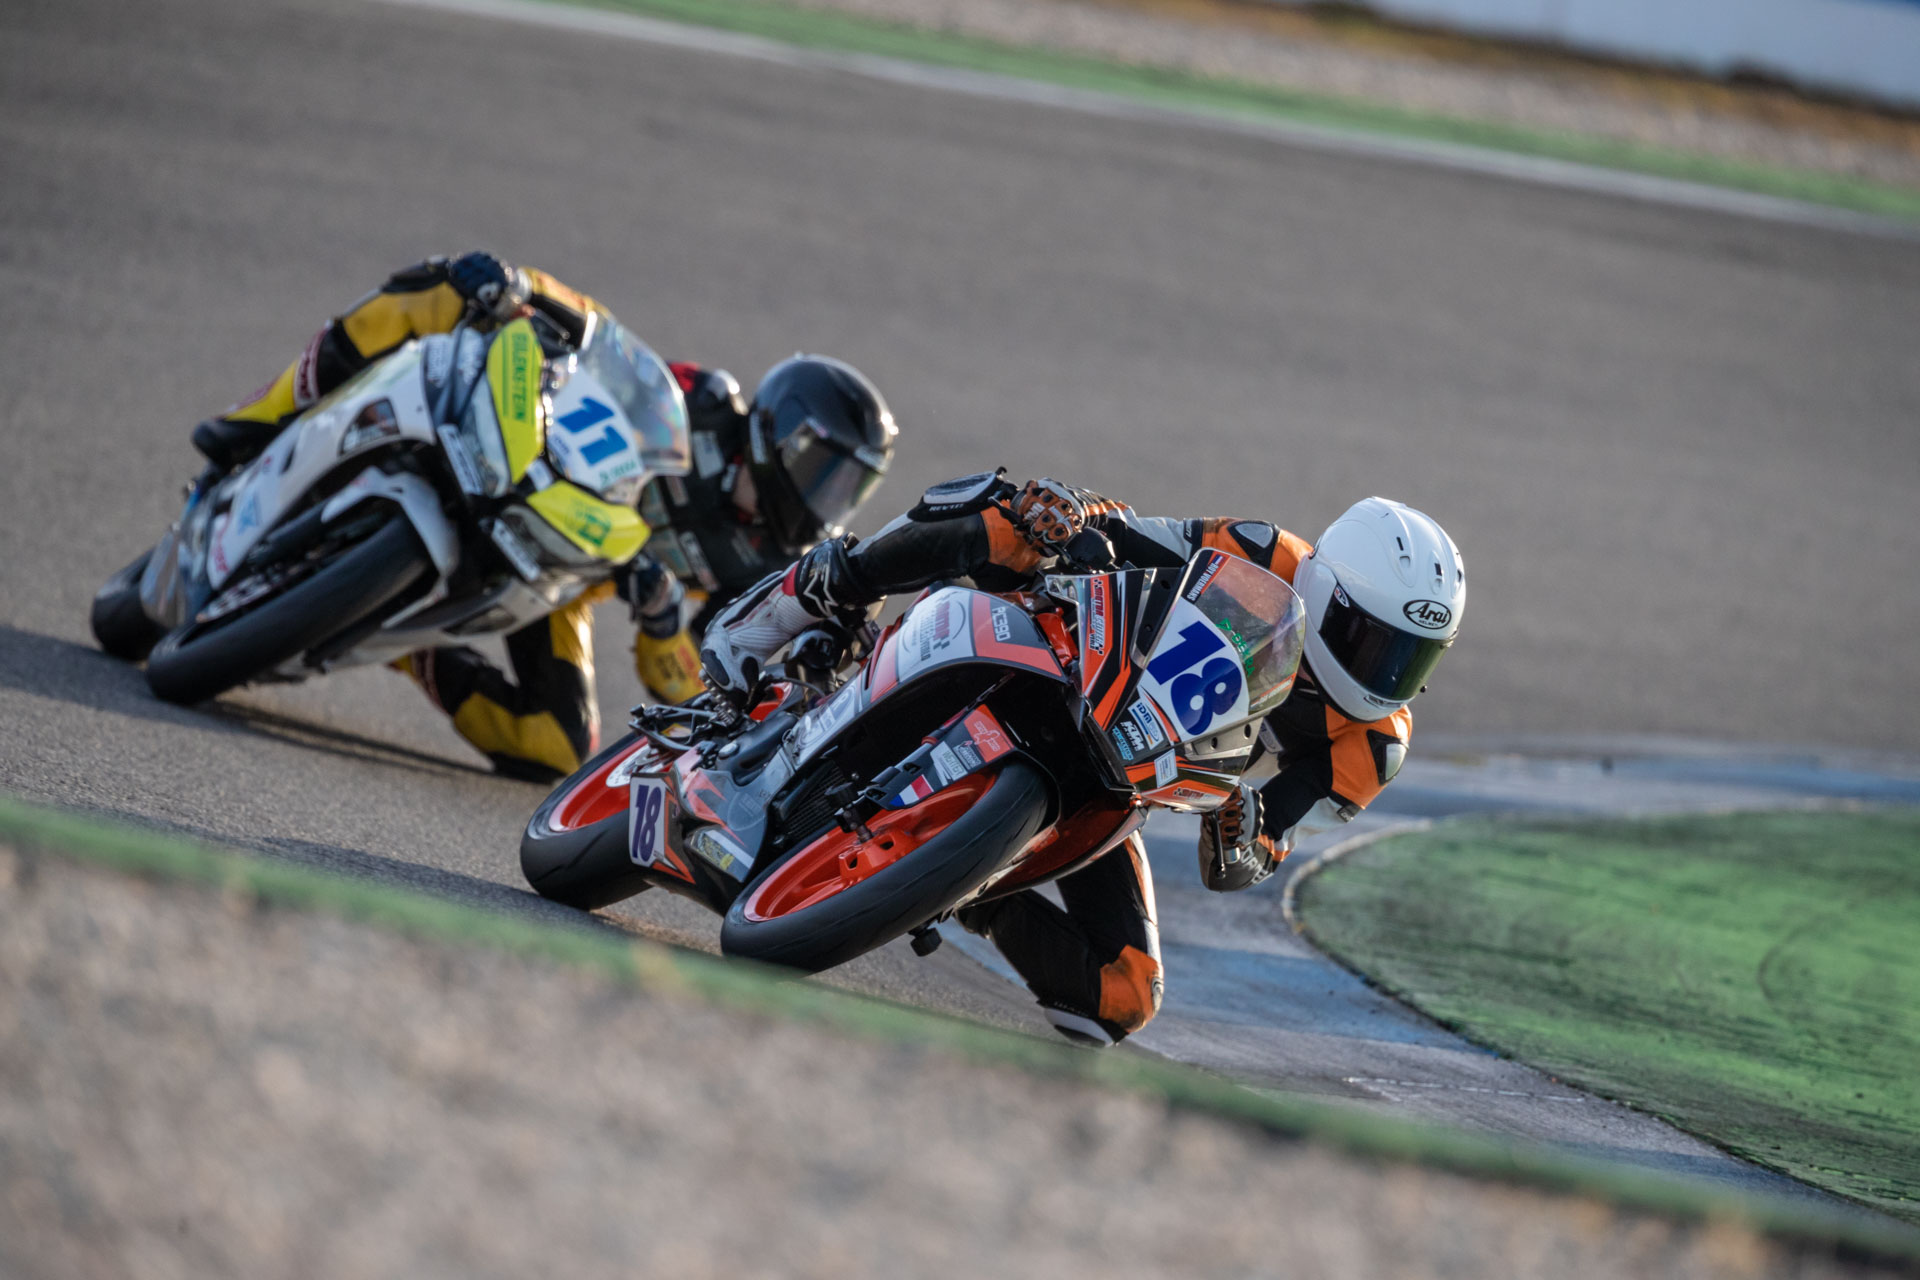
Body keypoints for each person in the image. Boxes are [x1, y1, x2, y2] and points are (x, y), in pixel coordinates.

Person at [699, 476, 1465, 1046]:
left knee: (1123, 997)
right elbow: (1132, 532)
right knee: (1008, 512)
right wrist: (1076, 515)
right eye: (1372, 640)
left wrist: (1243, 832)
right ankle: (816, 591)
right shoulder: (1265, 555)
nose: (1384, 673)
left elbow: (1258, 849)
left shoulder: (1373, 746)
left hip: (1123, 781)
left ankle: (960, 882)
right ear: (1325, 589)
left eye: (1413, 656)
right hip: (1073, 655)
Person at [192, 251, 897, 781]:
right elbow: (604, 344)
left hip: (562, 574)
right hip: (525, 457)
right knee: (447, 286)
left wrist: (658, 621)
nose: (830, 499)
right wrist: (524, 288)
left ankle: (401, 639)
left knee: (556, 747)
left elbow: (700, 684)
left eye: (850, 488)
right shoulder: (706, 400)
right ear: (784, 436)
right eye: (826, 472)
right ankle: (261, 414)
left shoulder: (764, 567)